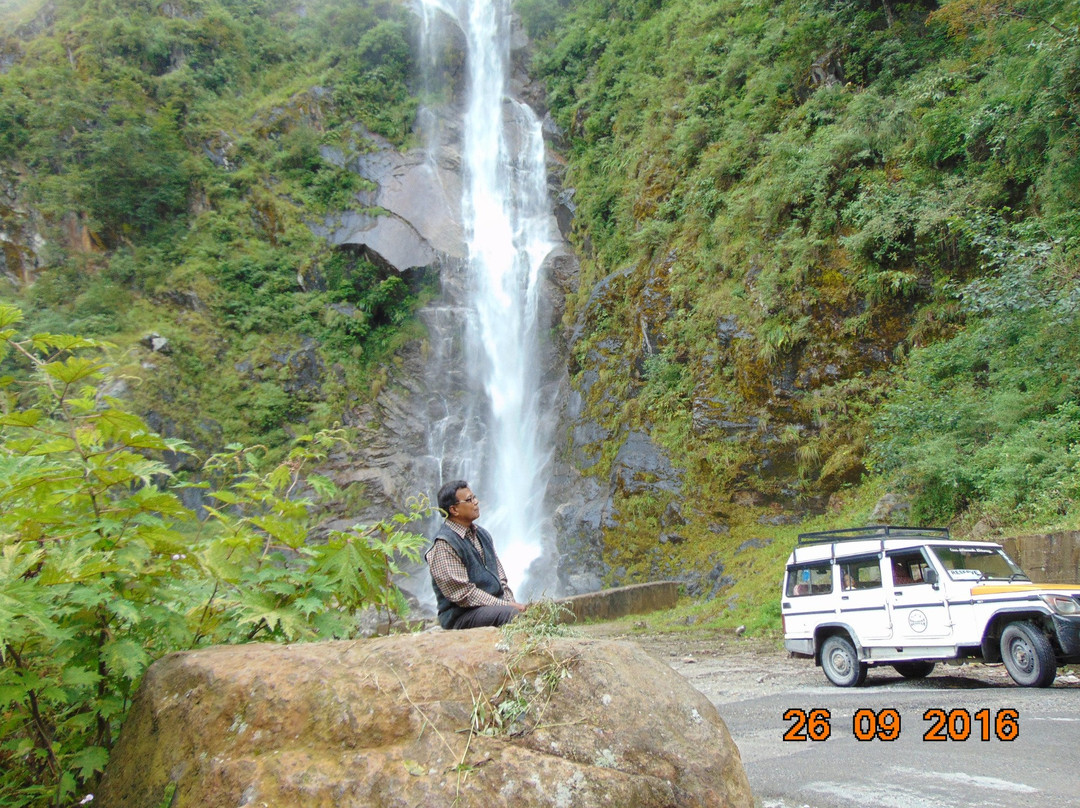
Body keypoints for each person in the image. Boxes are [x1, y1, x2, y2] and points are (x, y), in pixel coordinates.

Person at [425, 480, 527, 629]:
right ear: (454, 510)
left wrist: (511, 602)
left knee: (523, 613)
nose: (476, 502)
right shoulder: (444, 544)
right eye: (469, 500)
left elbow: (501, 579)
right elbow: (463, 595)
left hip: (492, 608)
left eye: (474, 497)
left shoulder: (482, 534)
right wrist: (507, 606)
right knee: (511, 614)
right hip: (461, 615)